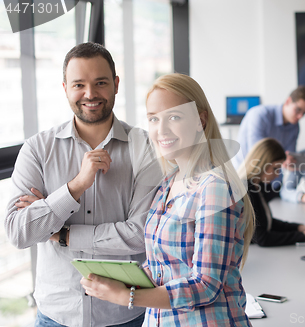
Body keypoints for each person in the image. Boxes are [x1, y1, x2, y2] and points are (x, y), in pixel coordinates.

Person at [4, 42, 162, 327]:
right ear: (65, 87)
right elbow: (19, 232)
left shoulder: (146, 147)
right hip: (56, 315)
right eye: (79, 84)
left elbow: (140, 235)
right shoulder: (38, 149)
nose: (90, 94)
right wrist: (75, 187)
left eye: (100, 82)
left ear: (115, 84)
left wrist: (60, 233)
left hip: (125, 316)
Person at [80, 73, 255, 327]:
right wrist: (120, 279)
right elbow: (163, 267)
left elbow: (206, 286)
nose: (161, 130)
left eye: (174, 117)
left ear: (200, 121)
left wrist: (126, 296)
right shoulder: (168, 182)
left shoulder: (215, 187)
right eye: (153, 119)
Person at [239, 138, 305, 246]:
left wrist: (300, 228)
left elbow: (267, 223)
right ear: (262, 164)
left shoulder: (258, 185)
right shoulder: (246, 191)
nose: (277, 174)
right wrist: (304, 236)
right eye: (275, 168)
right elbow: (263, 238)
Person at [233, 85, 305, 176]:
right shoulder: (260, 115)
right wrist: (284, 158)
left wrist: (290, 161)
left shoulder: (295, 127)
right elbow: (257, 152)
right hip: (247, 176)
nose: (300, 116)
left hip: (272, 180)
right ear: (288, 101)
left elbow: (288, 156)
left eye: (304, 113)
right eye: (298, 110)